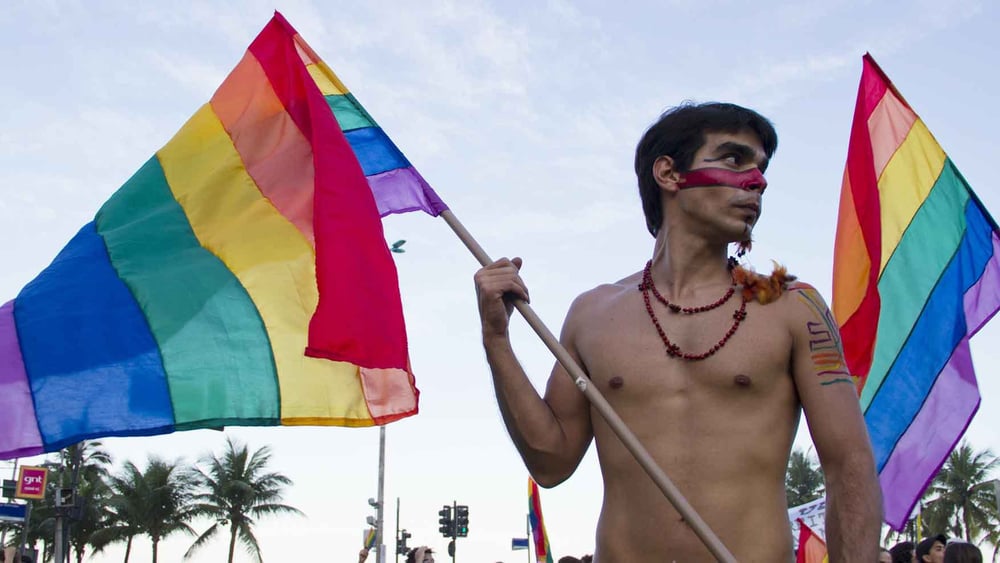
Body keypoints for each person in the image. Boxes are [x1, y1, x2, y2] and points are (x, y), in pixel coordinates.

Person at [475, 102, 883, 561]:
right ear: (669, 174)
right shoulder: (593, 314)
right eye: (734, 159)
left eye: (762, 168)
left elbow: (849, 464)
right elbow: (550, 461)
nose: (758, 180)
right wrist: (497, 342)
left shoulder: (793, 306)